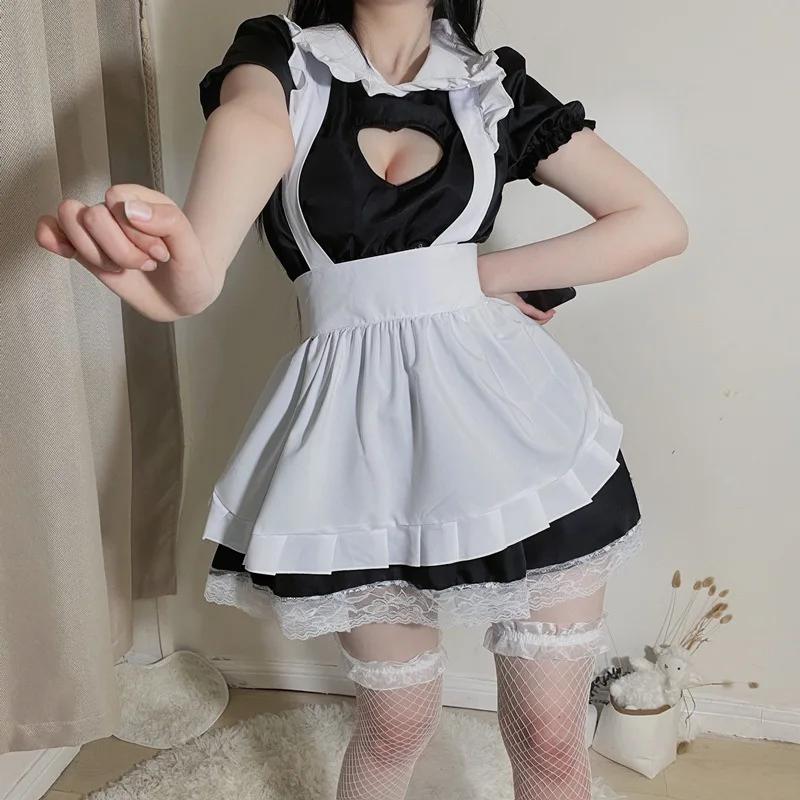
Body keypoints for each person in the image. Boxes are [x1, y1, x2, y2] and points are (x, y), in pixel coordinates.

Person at [35, 1, 688, 797]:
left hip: (516, 430)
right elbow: (251, 127)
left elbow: (654, 223)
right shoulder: (282, 58)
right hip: (353, 448)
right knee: (396, 724)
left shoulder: (490, 85)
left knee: (551, 738)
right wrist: (195, 263)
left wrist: (475, 278)